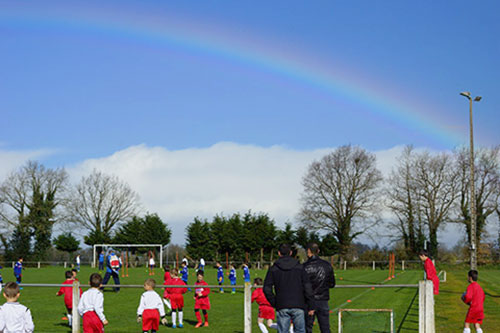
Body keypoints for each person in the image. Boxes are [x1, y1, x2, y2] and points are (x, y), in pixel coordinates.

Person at [264, 243, 314, 333]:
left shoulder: (274, 269)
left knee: (283, 331)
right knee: (300, 331)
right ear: (291, 253)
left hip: (282, 304)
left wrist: (274, 302)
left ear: (279, 253)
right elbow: (307, 287)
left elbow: (267, 288)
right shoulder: (300, 267)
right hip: (298, 304)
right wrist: (311, 304)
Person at [303, 243, 335, 333]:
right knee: (325, 328)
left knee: (307, 328)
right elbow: (332, 284)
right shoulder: (327, 265)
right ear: (318, 251)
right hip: (323, 300)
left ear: (308, 251)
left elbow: (301, 285)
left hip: (308, 301)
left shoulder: (304, 266)